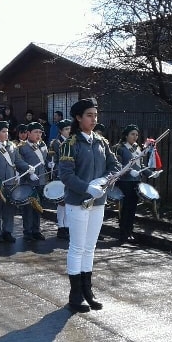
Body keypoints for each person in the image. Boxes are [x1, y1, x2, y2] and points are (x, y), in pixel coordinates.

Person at [58, 98, 120, 313]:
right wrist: (87, 188)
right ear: (78, 118)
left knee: (90, 247)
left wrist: (103, 181)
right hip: (78, 201)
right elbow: (65, 175)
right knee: (77, 247)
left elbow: (115, 166)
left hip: (99, 200)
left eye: (95, 115)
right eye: (89, 115)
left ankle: (88, 291)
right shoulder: (70, 144)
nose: (94, 119)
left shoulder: (102, 142)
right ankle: (75, 295)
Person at [0, 121, 30, 243]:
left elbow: (18, 162)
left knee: (9, 209)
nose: (6, 134)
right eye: (3, 131)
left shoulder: (12, 146)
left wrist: (28, 167)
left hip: (11, 182)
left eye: (7, 131)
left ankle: (7, 231)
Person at [114, 124, 160, 245]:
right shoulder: (121, 148)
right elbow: (117, 166)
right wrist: (129, 171)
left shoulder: (137, 148)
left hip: (136, 181)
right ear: (126, 135)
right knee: (125, 209)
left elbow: (141, 166)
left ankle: (129, 232)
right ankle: (123, 234)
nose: (135, 137)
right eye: (132, 134)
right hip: (125, 182)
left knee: (132, 209)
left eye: (136, 134)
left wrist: (150, 173)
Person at [18, 122, 52, 241]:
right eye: (36, 132)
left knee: (38, 207)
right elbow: (19, 164)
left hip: (41, 181)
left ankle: (36, 230)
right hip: (28, 182)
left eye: (40, 132)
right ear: (28, 133)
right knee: (27, 208)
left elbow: (46, 159)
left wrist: (49, 164)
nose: (38, 135)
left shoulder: (42, 145)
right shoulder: (22, 148)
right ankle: (27, 232)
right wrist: (29, 175)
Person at [49, 119, 71, 239]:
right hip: (59, 173)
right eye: (66, 129)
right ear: (61, 131)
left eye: (69, 129)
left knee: (68, 202)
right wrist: (51, 165)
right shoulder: (56, 143)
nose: (69, 131)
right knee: (61, 202)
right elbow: (52, 158)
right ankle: (60, 227)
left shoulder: (72, 142)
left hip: (70, 174)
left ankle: (67, 226)